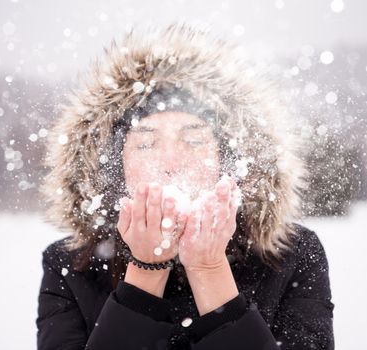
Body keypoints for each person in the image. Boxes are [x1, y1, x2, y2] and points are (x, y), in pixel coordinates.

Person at [36, 23, 335, 350]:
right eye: (146, 144)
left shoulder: (291, 255)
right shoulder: (72, 266)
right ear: (114, 167)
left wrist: (209, 270)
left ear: (227, 159)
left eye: (193, 140)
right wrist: (146, 271)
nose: (170, 162)